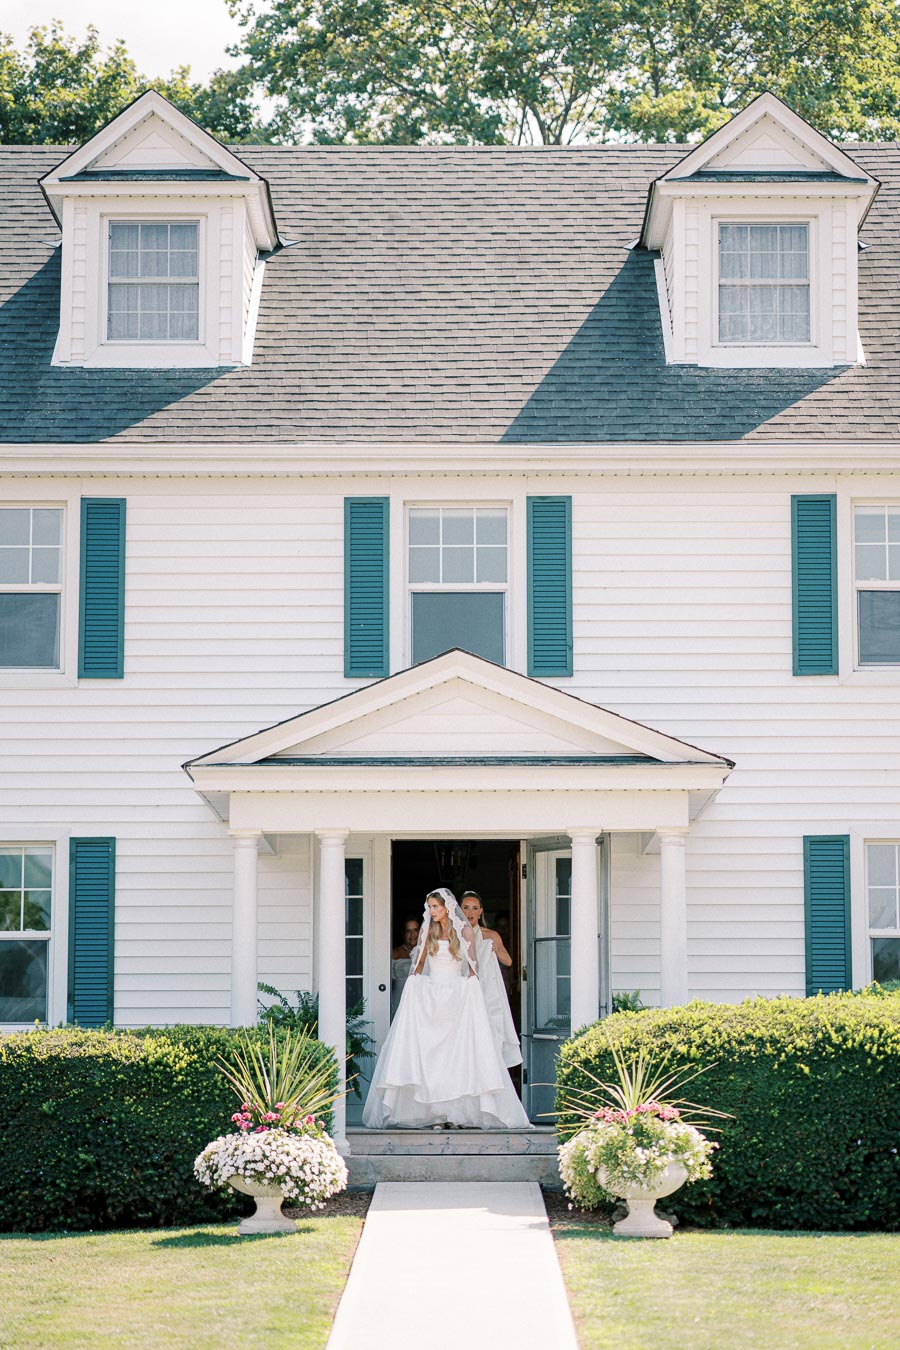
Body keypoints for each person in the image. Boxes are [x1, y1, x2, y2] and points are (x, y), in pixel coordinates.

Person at [362, 887, 531, 1129]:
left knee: (456, 1055)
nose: (431, 911)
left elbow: (473, 968)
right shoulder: (427, 931)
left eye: (435, 907)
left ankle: (458, 1112)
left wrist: (471, 992)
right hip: (432, 996)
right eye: (429, 907)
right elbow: (418, 965)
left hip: (456, 996)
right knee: (432, 1055)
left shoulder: (463, 932)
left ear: (446, 908)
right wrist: (413, 987)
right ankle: (434, 1113)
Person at [460, 890, 521, 1068]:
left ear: (480, 911)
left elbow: (508, 961)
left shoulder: (490, 934)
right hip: (462, 991)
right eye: (466, 908)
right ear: (459, 910)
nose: (470, 912)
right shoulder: (453, 935)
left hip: (486, 991)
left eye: (474, 908)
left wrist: (495, 948)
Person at [390, 916, 420, 1018]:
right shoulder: (395, 953)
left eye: (416, 930)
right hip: (399, 998)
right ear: (403, 934)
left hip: (419, 999)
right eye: (408, 931)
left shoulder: (428, 952)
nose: (412, 935)